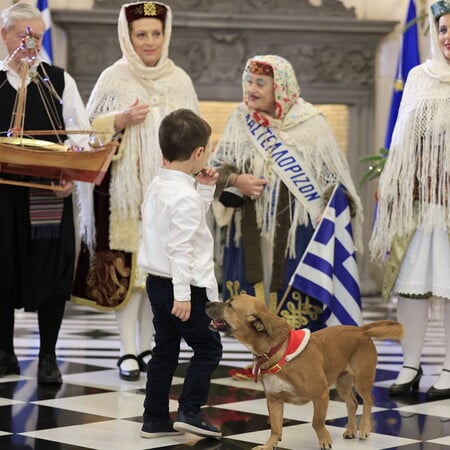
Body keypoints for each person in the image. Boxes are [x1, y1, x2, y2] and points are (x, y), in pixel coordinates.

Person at [209, 55, 363, 378]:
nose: (250, 89)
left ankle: (301, 363)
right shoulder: (240, 120)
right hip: (251, 232)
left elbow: (335, 180)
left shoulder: (312, 123)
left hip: (298, 235)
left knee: (295, 296)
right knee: (255, 294)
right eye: (248, 81)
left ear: (280, 88)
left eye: (260, 83)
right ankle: (263, 360)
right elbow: (217, 167)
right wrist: (237, 180)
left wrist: (329, 208)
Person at [72, 1, 200, 382]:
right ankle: (127, 349)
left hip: (169, 195)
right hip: (124, 196)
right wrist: (120, 120)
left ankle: (148, 345)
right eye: (140, 34)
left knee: (156, 274)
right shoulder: (114, 77)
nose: (149, 41)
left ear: (166, 35)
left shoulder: (180, 80)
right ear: (127, 36)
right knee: (127, 274)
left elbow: (196, 133)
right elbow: (87, 132)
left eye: (155, 33)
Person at [0, 3, 90, 384]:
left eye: (37, 36)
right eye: (25, 35)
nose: (32, 43)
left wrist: (70, 175)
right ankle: (5, 352)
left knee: (51, 273)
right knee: (1, 270)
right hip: (1, 197)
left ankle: (49, 357)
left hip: (48, 195)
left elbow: (81, 138)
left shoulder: (59, 80)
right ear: (5, 36)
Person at [369, 0, 450, 401]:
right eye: (444, 29)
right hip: (418, 202)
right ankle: (411, 363)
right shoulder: (419, 76)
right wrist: (392, 179)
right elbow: (401, 137)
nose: (448, 37)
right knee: (411, 287)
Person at [138, 108, 222, 439]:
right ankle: (190, 410)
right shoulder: (183, 196)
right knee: (209, 348)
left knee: (165, 350)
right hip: (183, 286)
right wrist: (184, 296)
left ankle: (154, 418)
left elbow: (187, 226)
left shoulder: (159, 184)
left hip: (158, 283)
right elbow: (182, 249)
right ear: (198, 152)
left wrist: (203, 190)